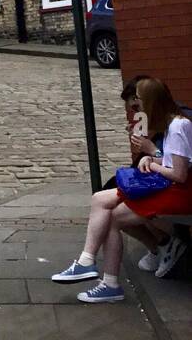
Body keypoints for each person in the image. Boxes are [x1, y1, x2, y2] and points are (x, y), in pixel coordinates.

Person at [51, 76, 192, 302]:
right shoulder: (172, 124)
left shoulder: (178, 126)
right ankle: (88, 264)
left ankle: (106, 281)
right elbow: (172, 163)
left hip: (179, 192)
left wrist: (153, 160)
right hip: (171, 188)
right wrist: (151, 158)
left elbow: (179, 174)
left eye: (141, 106)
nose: (140, 112)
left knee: (113, 217)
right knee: (100, 199)